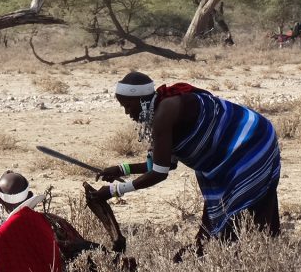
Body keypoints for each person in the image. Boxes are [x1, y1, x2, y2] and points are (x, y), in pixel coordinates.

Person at [87, 71, 282, 250]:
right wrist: (121, 169)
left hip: (251, 141)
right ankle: (240, 248)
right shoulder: (160, 110)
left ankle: (250, 251)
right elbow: (161, 164)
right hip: (233, 149)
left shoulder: (165, 113)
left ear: (141, 99)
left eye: (128, 106)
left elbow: (159, 173)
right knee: (225, 215)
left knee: (239, 201)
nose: (127, 113)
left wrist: (114, 191)